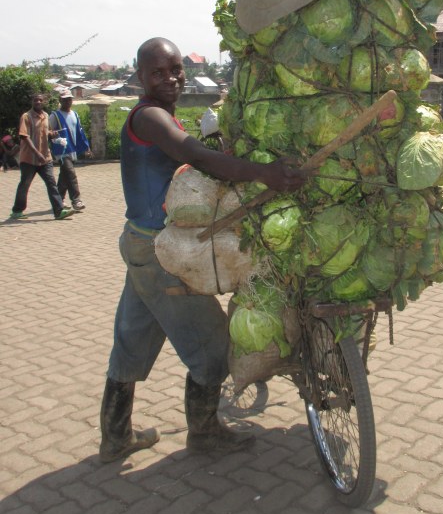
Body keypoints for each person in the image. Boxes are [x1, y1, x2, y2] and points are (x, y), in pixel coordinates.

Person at [99, 37, 306, 463]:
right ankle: (205, 432)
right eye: (158, 72)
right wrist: (263, 173)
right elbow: (191, 152)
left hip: (142, 244)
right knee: (213, 347)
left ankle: (115, 437)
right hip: (164, 255)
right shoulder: (150, 117)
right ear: (140, 76)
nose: (171, 78)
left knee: (131, 343)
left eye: (176, 69)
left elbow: (190, 161)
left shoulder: (161, 116)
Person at [10, 94, 75, 221]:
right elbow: (24, 136)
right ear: (32, 102)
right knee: (25, 184)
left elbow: (47, 132)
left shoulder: (45, 116)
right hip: (29, 158)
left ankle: (59, 211)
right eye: (36, 100)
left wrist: (53, 134)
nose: (38, 102)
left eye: (40, 100)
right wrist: (37, 153)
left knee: (51, 184)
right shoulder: (26, 117)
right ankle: (17, 210)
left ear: (44, 102)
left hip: (45, 158)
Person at [49, 90, 91, 211]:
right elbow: (47, 132)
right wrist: (53, 136)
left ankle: (58, 201)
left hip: (72, 149)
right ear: (60, 101)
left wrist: (86, 147)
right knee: (71, 174)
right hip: (61, 151)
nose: (67, 101)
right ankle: (76, 200)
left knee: (64, 176)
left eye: (69, 99)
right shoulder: (55, 116)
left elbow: (80, 132)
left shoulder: (74, 114)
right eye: (65, 99)